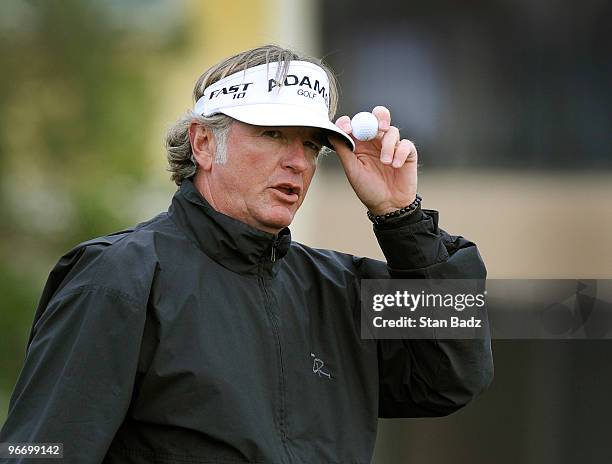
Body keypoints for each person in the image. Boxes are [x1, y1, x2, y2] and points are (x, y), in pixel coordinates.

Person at [0, 44, 493, 463]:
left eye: (312, 144)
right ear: (203, 144)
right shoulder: (119, 278)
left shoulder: (338, 290)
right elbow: (42, 449)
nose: (296, 161)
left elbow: (451, 376)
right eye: (272, 134)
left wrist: (400, 217)